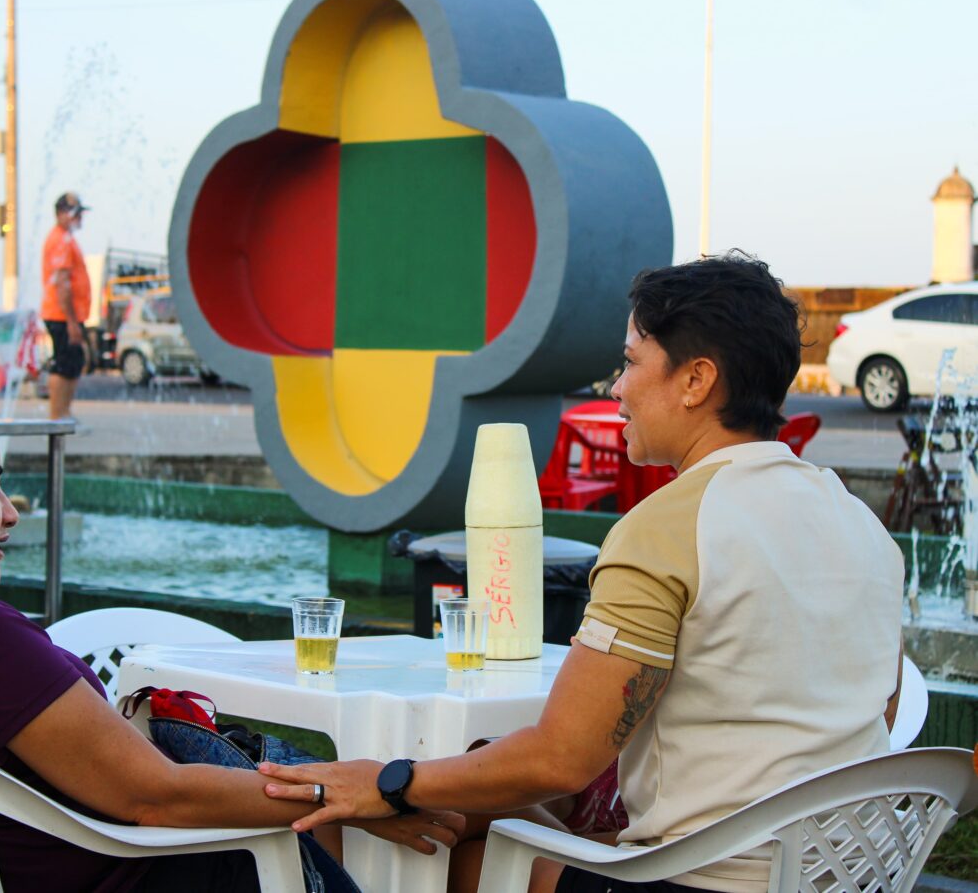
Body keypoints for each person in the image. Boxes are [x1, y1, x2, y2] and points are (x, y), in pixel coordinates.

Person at [258, 253, 905, 893]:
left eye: (632, 362)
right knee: (480, 813)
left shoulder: (669, 529)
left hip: (710, 880)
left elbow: (560, 759)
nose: (616, 388)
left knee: (453, 857)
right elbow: (881, 705)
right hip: (853, 874)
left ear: (696, 380)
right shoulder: (858, 520)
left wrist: (388, 782)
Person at [0, 383, 463, 892]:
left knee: (432, 816)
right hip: (149, 870)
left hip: (22, 868)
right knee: (445, 832)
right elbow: (155, 797)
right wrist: (336, 795)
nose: (11, 512)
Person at [42, 191, 92, 422]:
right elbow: (62, 285)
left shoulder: (67, 239)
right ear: (61, 214)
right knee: (63, 365)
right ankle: (57, 416)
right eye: (75, 213)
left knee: (73, 363)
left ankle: (65, 413)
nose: (79, 217)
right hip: (60, 315)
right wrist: (71, 323)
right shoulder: (60, 240)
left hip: (68, 315)